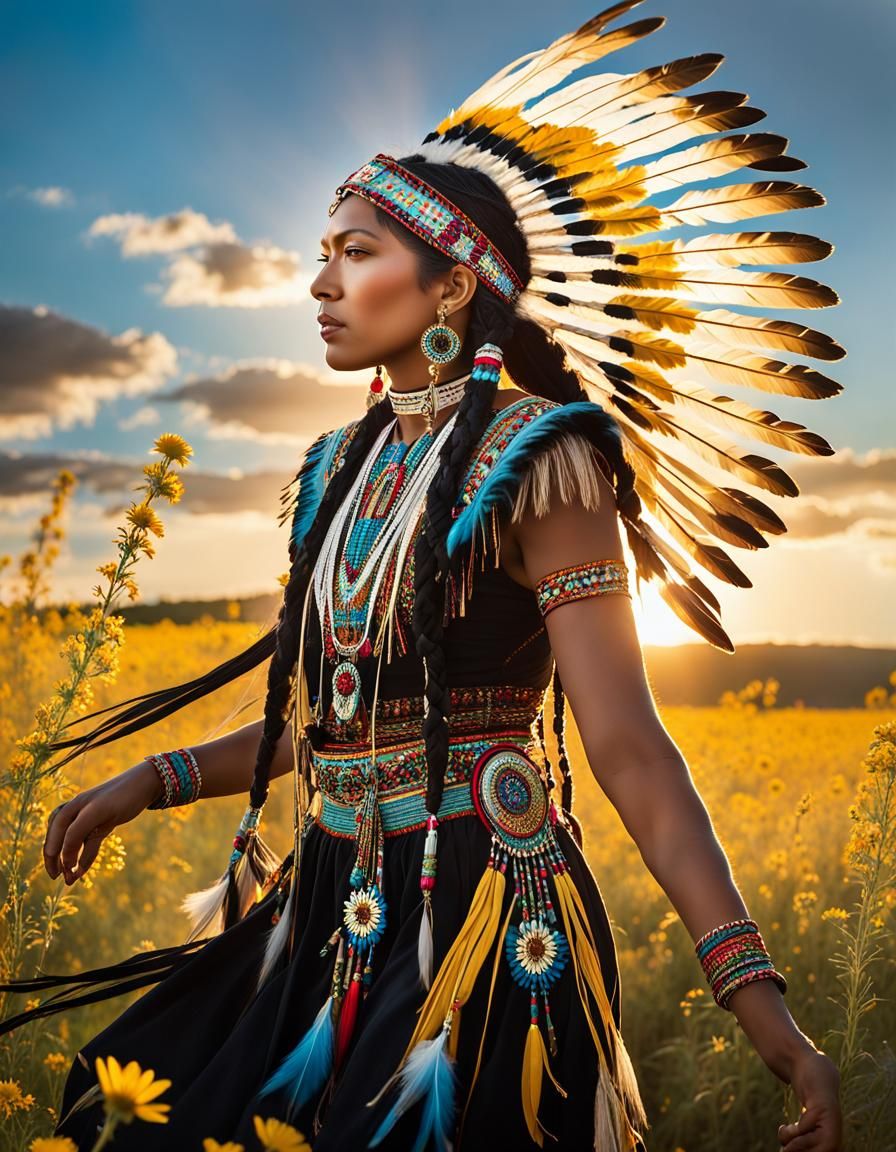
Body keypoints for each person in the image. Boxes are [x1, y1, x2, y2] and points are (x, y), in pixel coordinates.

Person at [1, 6, 845, 1150]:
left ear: (450, 288)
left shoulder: (545, 463)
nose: (321, 284)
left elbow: (631, 751)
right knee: (123, 1096)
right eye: (321, 256)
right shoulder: (335, 467)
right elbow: (336, 726)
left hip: (478, 926)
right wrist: (148, 780)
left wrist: (764, 1008)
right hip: (326, 909)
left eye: (357, 254)